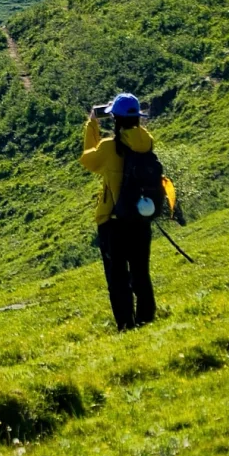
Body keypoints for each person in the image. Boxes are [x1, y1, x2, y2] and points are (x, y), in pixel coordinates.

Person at [80, 92, 156, 332]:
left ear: (115, 118)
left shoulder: (108, 147)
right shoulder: (147, 142)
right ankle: (146, 318)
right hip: (140, 217)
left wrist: (92, 123)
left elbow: (86, 159)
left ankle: (126, 324)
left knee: (118, 276)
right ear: (138, 119)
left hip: (113, 221)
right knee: (140, 271)